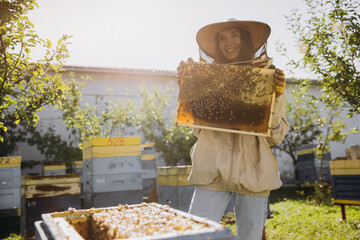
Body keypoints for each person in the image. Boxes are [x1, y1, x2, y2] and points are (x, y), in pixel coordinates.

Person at [177, 19, 289, 240]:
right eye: (222, 37)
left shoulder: (268, 75)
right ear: (217, 44)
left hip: (254, 175)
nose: (229, 42)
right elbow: (197, 130)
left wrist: (276, 95)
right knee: (194, 236)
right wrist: (188, 88)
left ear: (245, 39)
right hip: (212, 171)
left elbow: (275, 135)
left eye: (235, 35)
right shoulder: (206, 78)